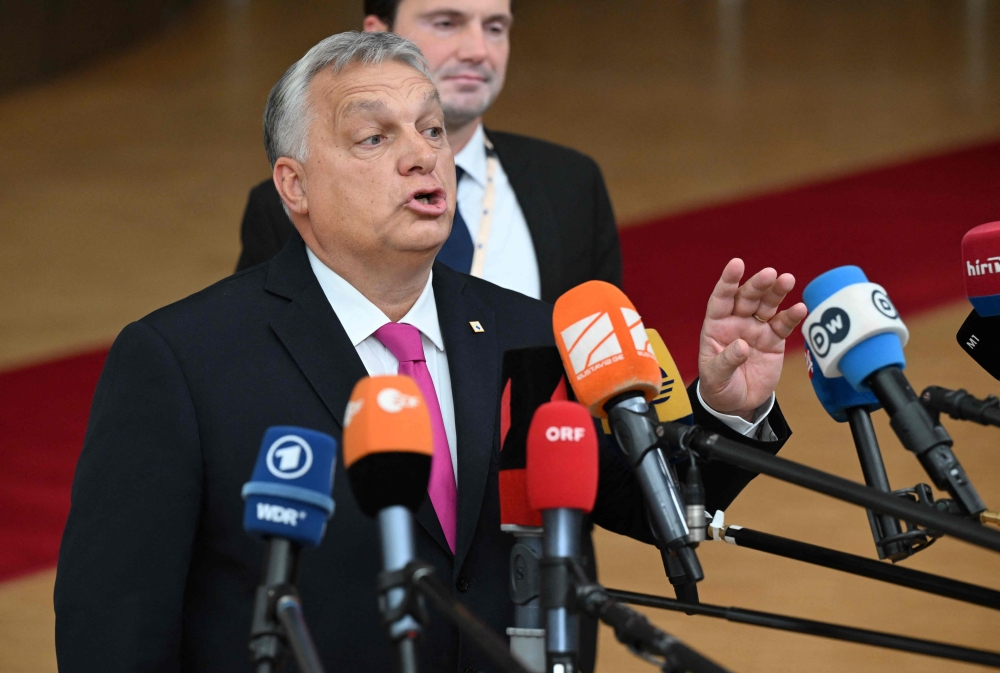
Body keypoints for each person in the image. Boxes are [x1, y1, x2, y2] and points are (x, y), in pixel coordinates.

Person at [55, 32, 806, 673]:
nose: (422, 156)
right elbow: (112, 625)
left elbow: (650, 505)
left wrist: (727, 409)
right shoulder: (181, 360)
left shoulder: (529, 333)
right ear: (295, 185)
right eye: (376, 137)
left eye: (432, 128)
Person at [235, 0, 622, 303]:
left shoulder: (571, 182)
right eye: (446, 23)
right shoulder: (285, 206)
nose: (477, 51)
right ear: (377, 34)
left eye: (495, 27)